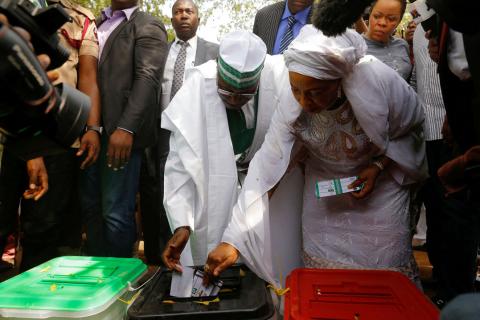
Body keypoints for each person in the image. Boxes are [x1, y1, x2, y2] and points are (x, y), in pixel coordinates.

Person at [206, 26, 427, 287]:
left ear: (338, 81)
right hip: (323, 199)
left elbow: (411, 131)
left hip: (381, 192)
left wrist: (379, 165)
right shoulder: (291, 104)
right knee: (325, 284)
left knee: (384, 283)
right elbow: (266, 167)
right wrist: (233, 239)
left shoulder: (378, 81)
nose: (303, 101)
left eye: (314, 92)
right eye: (295, 89)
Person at [161, 31, 290, 271]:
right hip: (211, 189)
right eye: (227, 92)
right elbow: (180, 163)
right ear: (218, 72)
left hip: (263, 186)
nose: (233, 100)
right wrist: (181, 224)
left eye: (243, 95)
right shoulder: (199, 84)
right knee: (210, 257)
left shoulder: (278, 77)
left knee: (263, 261)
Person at [0, 0, 101, 271]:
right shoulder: (11, 6)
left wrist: (93, 128)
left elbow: (88, 76)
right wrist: (32, 150)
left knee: (43, 230)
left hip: (59, 137)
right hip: (14, 136)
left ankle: (29, 303)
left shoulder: (82, 18)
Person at [81, 0, 168, 257]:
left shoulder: (148, 24)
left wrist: (126, 128)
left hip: (119, 136)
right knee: (91, 208)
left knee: (115, 212)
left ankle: (118, 280)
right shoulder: (94, 23)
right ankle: (96, 275)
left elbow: (147, 77)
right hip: (88, 131)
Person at [139, 0, 218, 265]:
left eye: (189, 11)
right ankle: (163, 258)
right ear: (171, 19)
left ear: (198, 17)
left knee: (195, 192)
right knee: (163, 193)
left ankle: (197, 256)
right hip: (162, 134)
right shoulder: (158, 52)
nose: (183, 16)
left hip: (199, 136)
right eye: (177, 12)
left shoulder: (214, 52)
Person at [362, 0, 411, 80]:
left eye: (391, 19)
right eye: (377, 16)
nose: (382, 23)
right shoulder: (356, 48)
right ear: (370, 15)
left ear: (399, 21)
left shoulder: (402, 45)